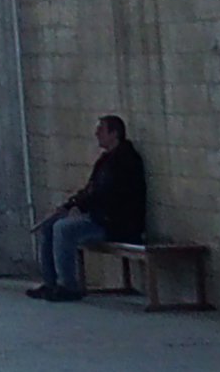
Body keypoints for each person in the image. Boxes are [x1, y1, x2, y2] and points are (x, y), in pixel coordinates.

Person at [27, 113, 148, 300]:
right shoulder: (105, 160)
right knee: (50, 224)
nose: (96, 134)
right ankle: (50, 283)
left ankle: (68, 286)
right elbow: (90, 189)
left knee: (64, 228)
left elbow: (106, 193)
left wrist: (79, 206)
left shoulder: (126, 160)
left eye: (101, 130)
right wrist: (68, 205)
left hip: (116, 223)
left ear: (114, 133)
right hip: (100, 217)